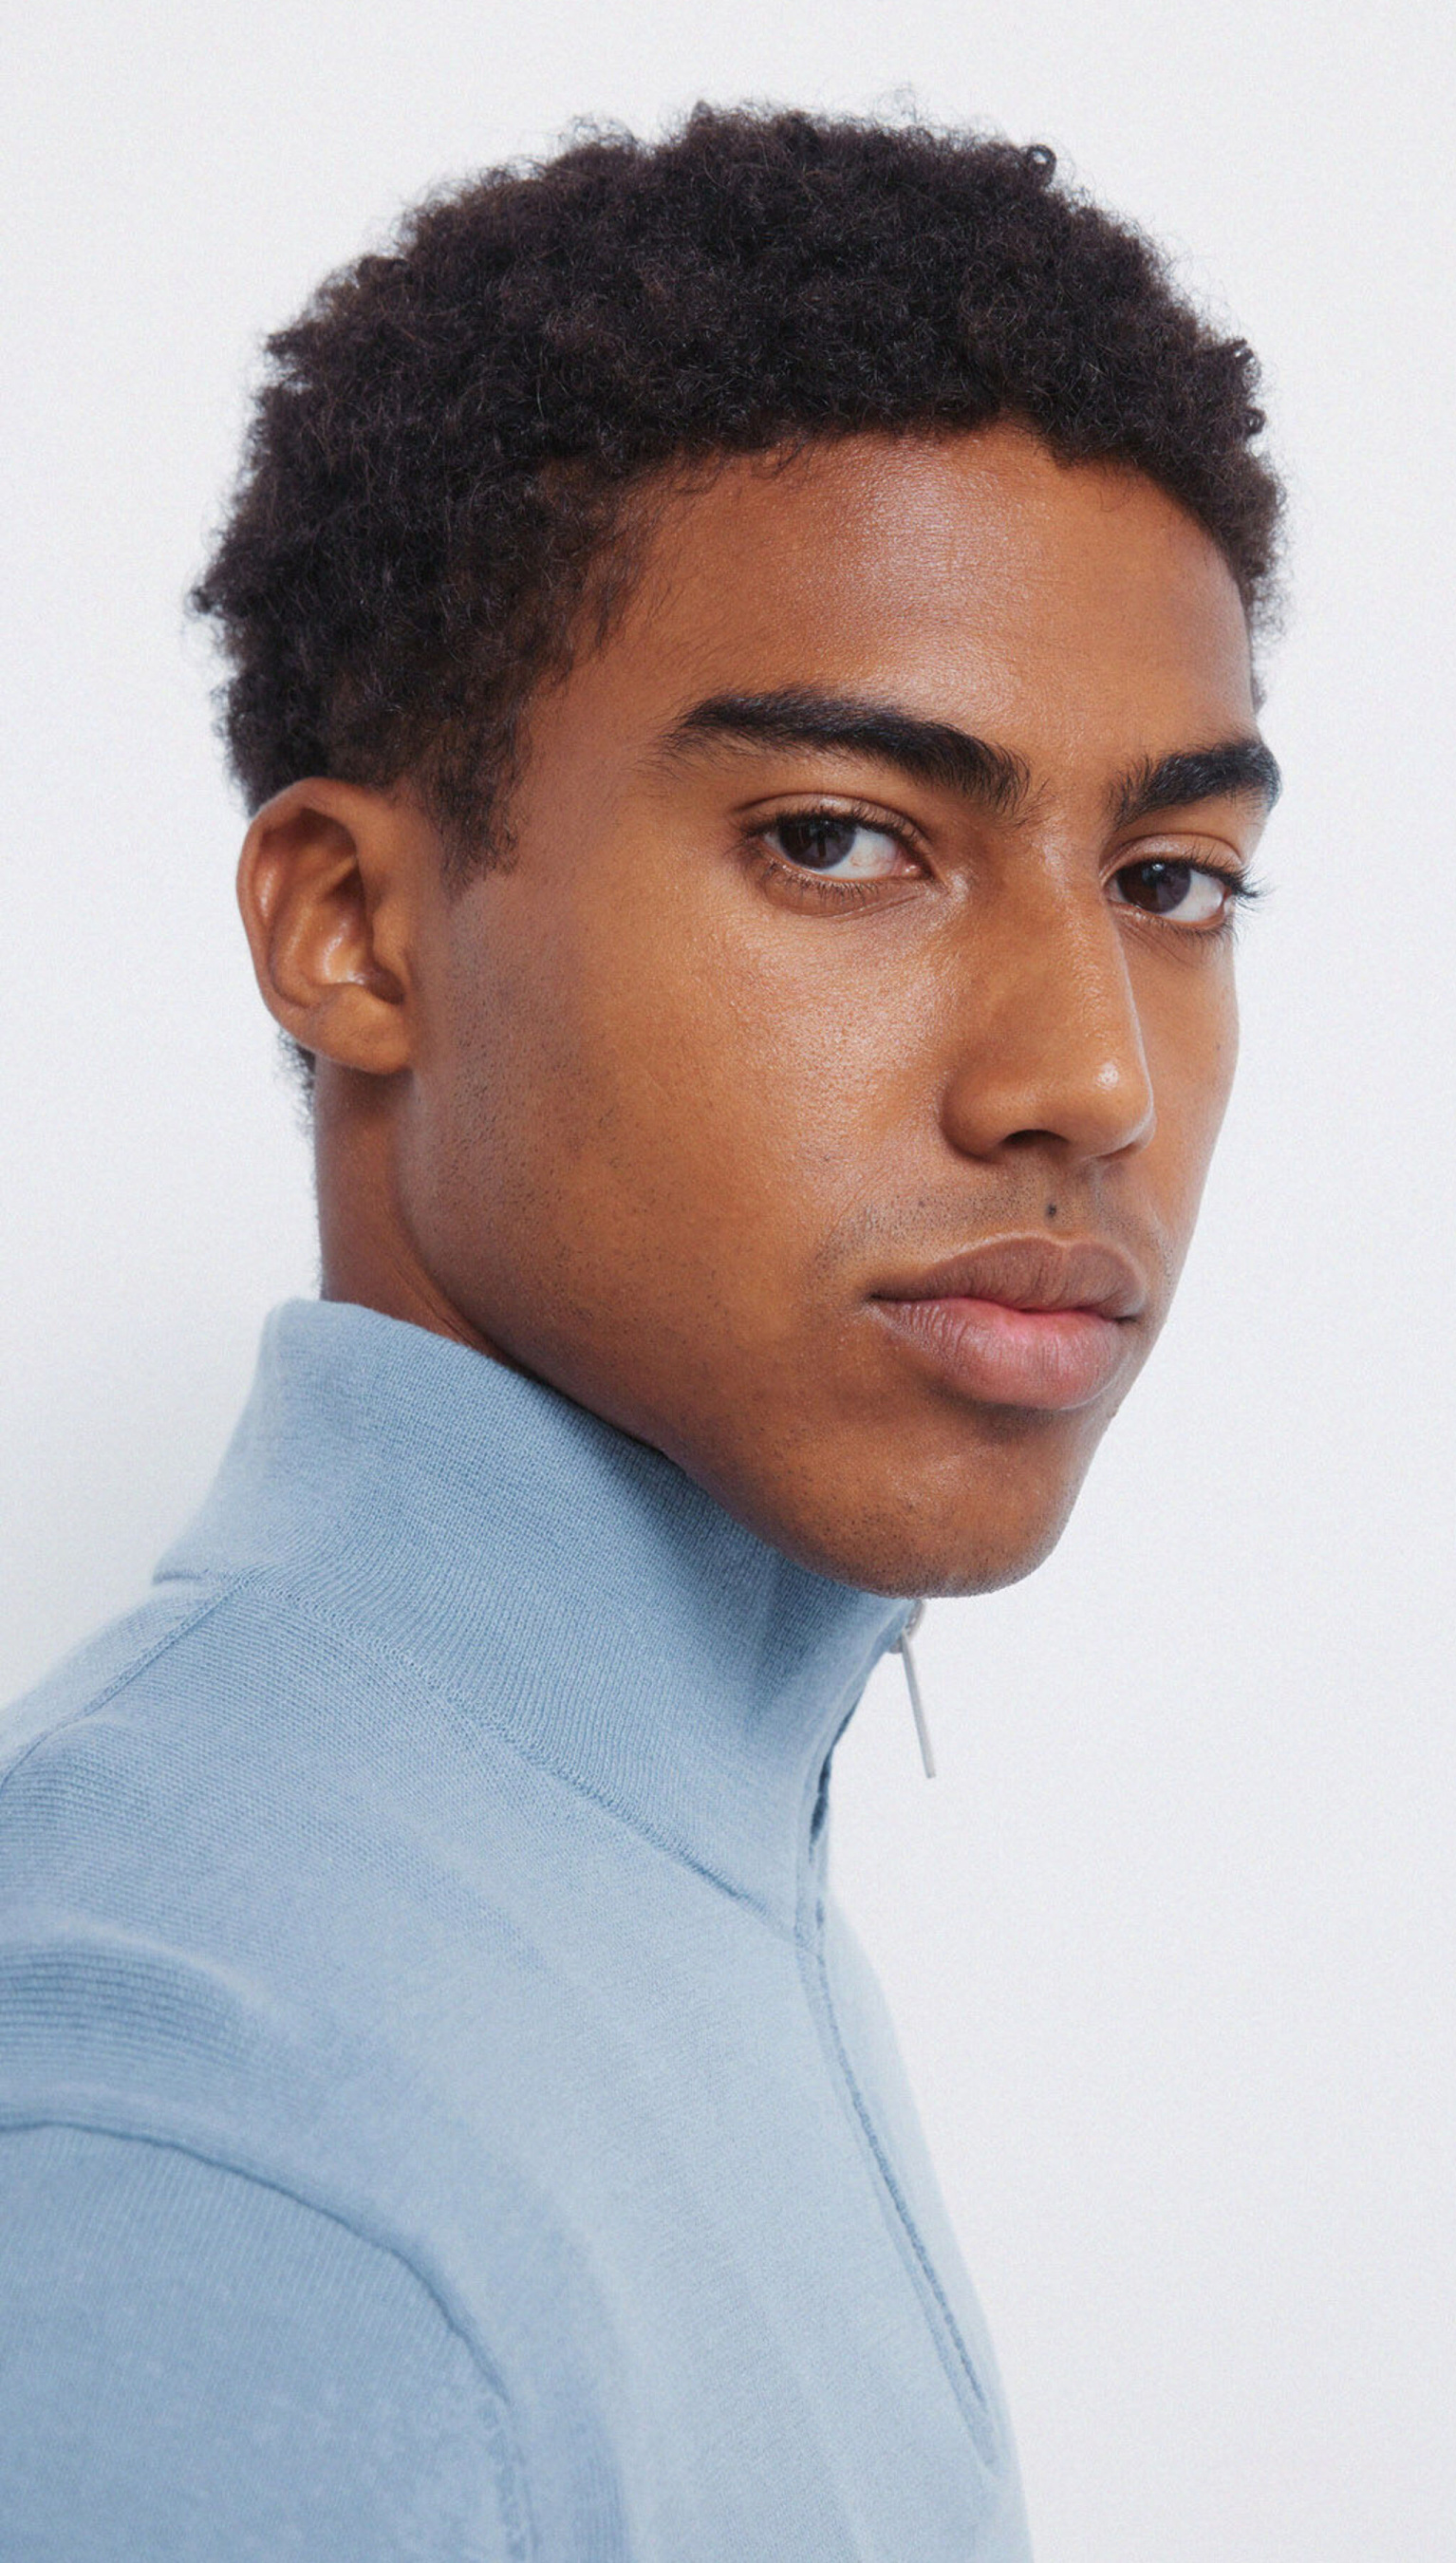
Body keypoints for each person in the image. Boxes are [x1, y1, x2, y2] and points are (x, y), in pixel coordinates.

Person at [0, 107, 1281, 2560]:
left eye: (1172, 877)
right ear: (352, 928)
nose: (1089, 1073)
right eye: (840, 838)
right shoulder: (207, 2139)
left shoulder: (643, 1864)